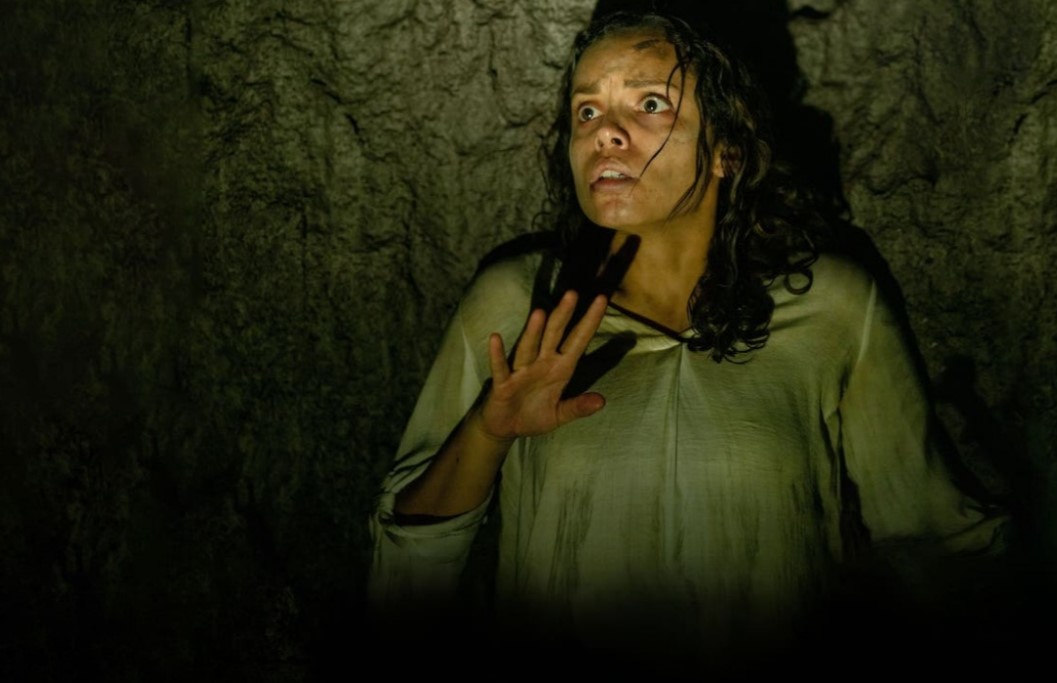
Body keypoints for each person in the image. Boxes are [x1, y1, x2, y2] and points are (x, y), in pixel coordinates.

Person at [368, 10, 1009, 674]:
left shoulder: (835, 306)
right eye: (586, 112)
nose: (605, 132)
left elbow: (938, 544)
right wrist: (486, 431)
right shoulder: (522, 302)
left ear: (727, 148)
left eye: (649, 104)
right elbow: (405, 564)